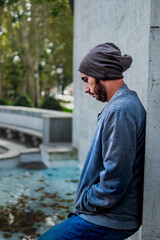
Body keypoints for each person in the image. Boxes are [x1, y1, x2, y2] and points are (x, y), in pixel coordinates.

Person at [38, 42, 146, 240]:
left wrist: (86, 201)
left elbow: (116, 178)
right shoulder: (121, 105)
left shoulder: (120, 111)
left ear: (100, 73)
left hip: (110, 219)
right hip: (107, 215)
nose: (86, 89)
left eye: (86, 80)